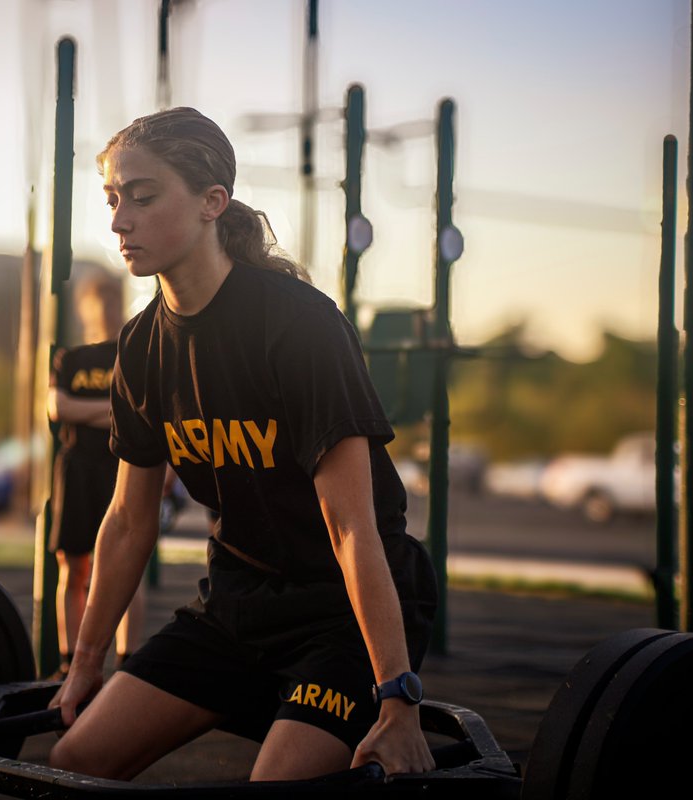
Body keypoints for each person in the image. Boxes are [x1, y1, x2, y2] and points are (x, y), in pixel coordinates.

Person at [48, 107, 439, 782]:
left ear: (212, 202)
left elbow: (352, 527)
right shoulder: (141, 348)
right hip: (235, 609)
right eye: (113, 200)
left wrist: (397, 697)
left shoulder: (299, 326)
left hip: (338, 619)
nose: (118, 222)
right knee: (74, 761)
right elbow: (127, 521)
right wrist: (84, 666)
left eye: (142, 198)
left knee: (273, 786)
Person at [47, 273, 145, 677]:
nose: (103, 308)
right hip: (76, 472)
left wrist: (85, 410)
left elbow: (133, 412)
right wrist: (107, 411)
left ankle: (127, 661)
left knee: (126, 567)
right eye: (95, 300)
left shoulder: (131, 352)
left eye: (110, 299)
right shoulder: (68, 358)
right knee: (74, 565)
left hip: (119, 469)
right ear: (84, 307)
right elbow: (57, 408)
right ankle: (69, 662)